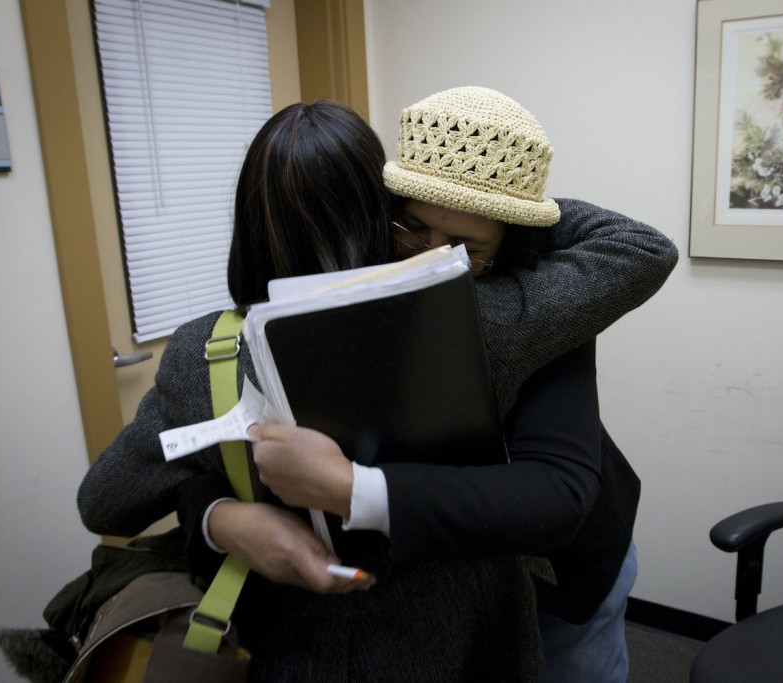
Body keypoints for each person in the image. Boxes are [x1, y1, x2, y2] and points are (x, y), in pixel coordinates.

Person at [228, 87, 678, 681]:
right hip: (473, 587)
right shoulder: (368, 302)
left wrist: (518, 203)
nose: (432, 260)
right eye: (413, 228)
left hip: (568, 574)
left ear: (511, 239)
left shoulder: (546, 303)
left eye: (467, 246)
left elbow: (646, 247)